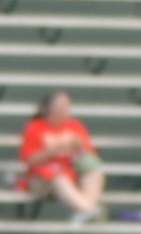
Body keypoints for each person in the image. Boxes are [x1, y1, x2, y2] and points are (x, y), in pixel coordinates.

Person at [15, 91, 105, 222]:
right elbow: (29, 160)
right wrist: (52, 151)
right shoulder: (35, 127)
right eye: (63, 106)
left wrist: (80, 148)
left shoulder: (74, 125)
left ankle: (85, 211)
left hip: (72, 173)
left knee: (94, 172)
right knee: (59, 177)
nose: (67, 110)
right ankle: (88, 210)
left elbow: (90, 155)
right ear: (51, 110)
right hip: (43, 178)